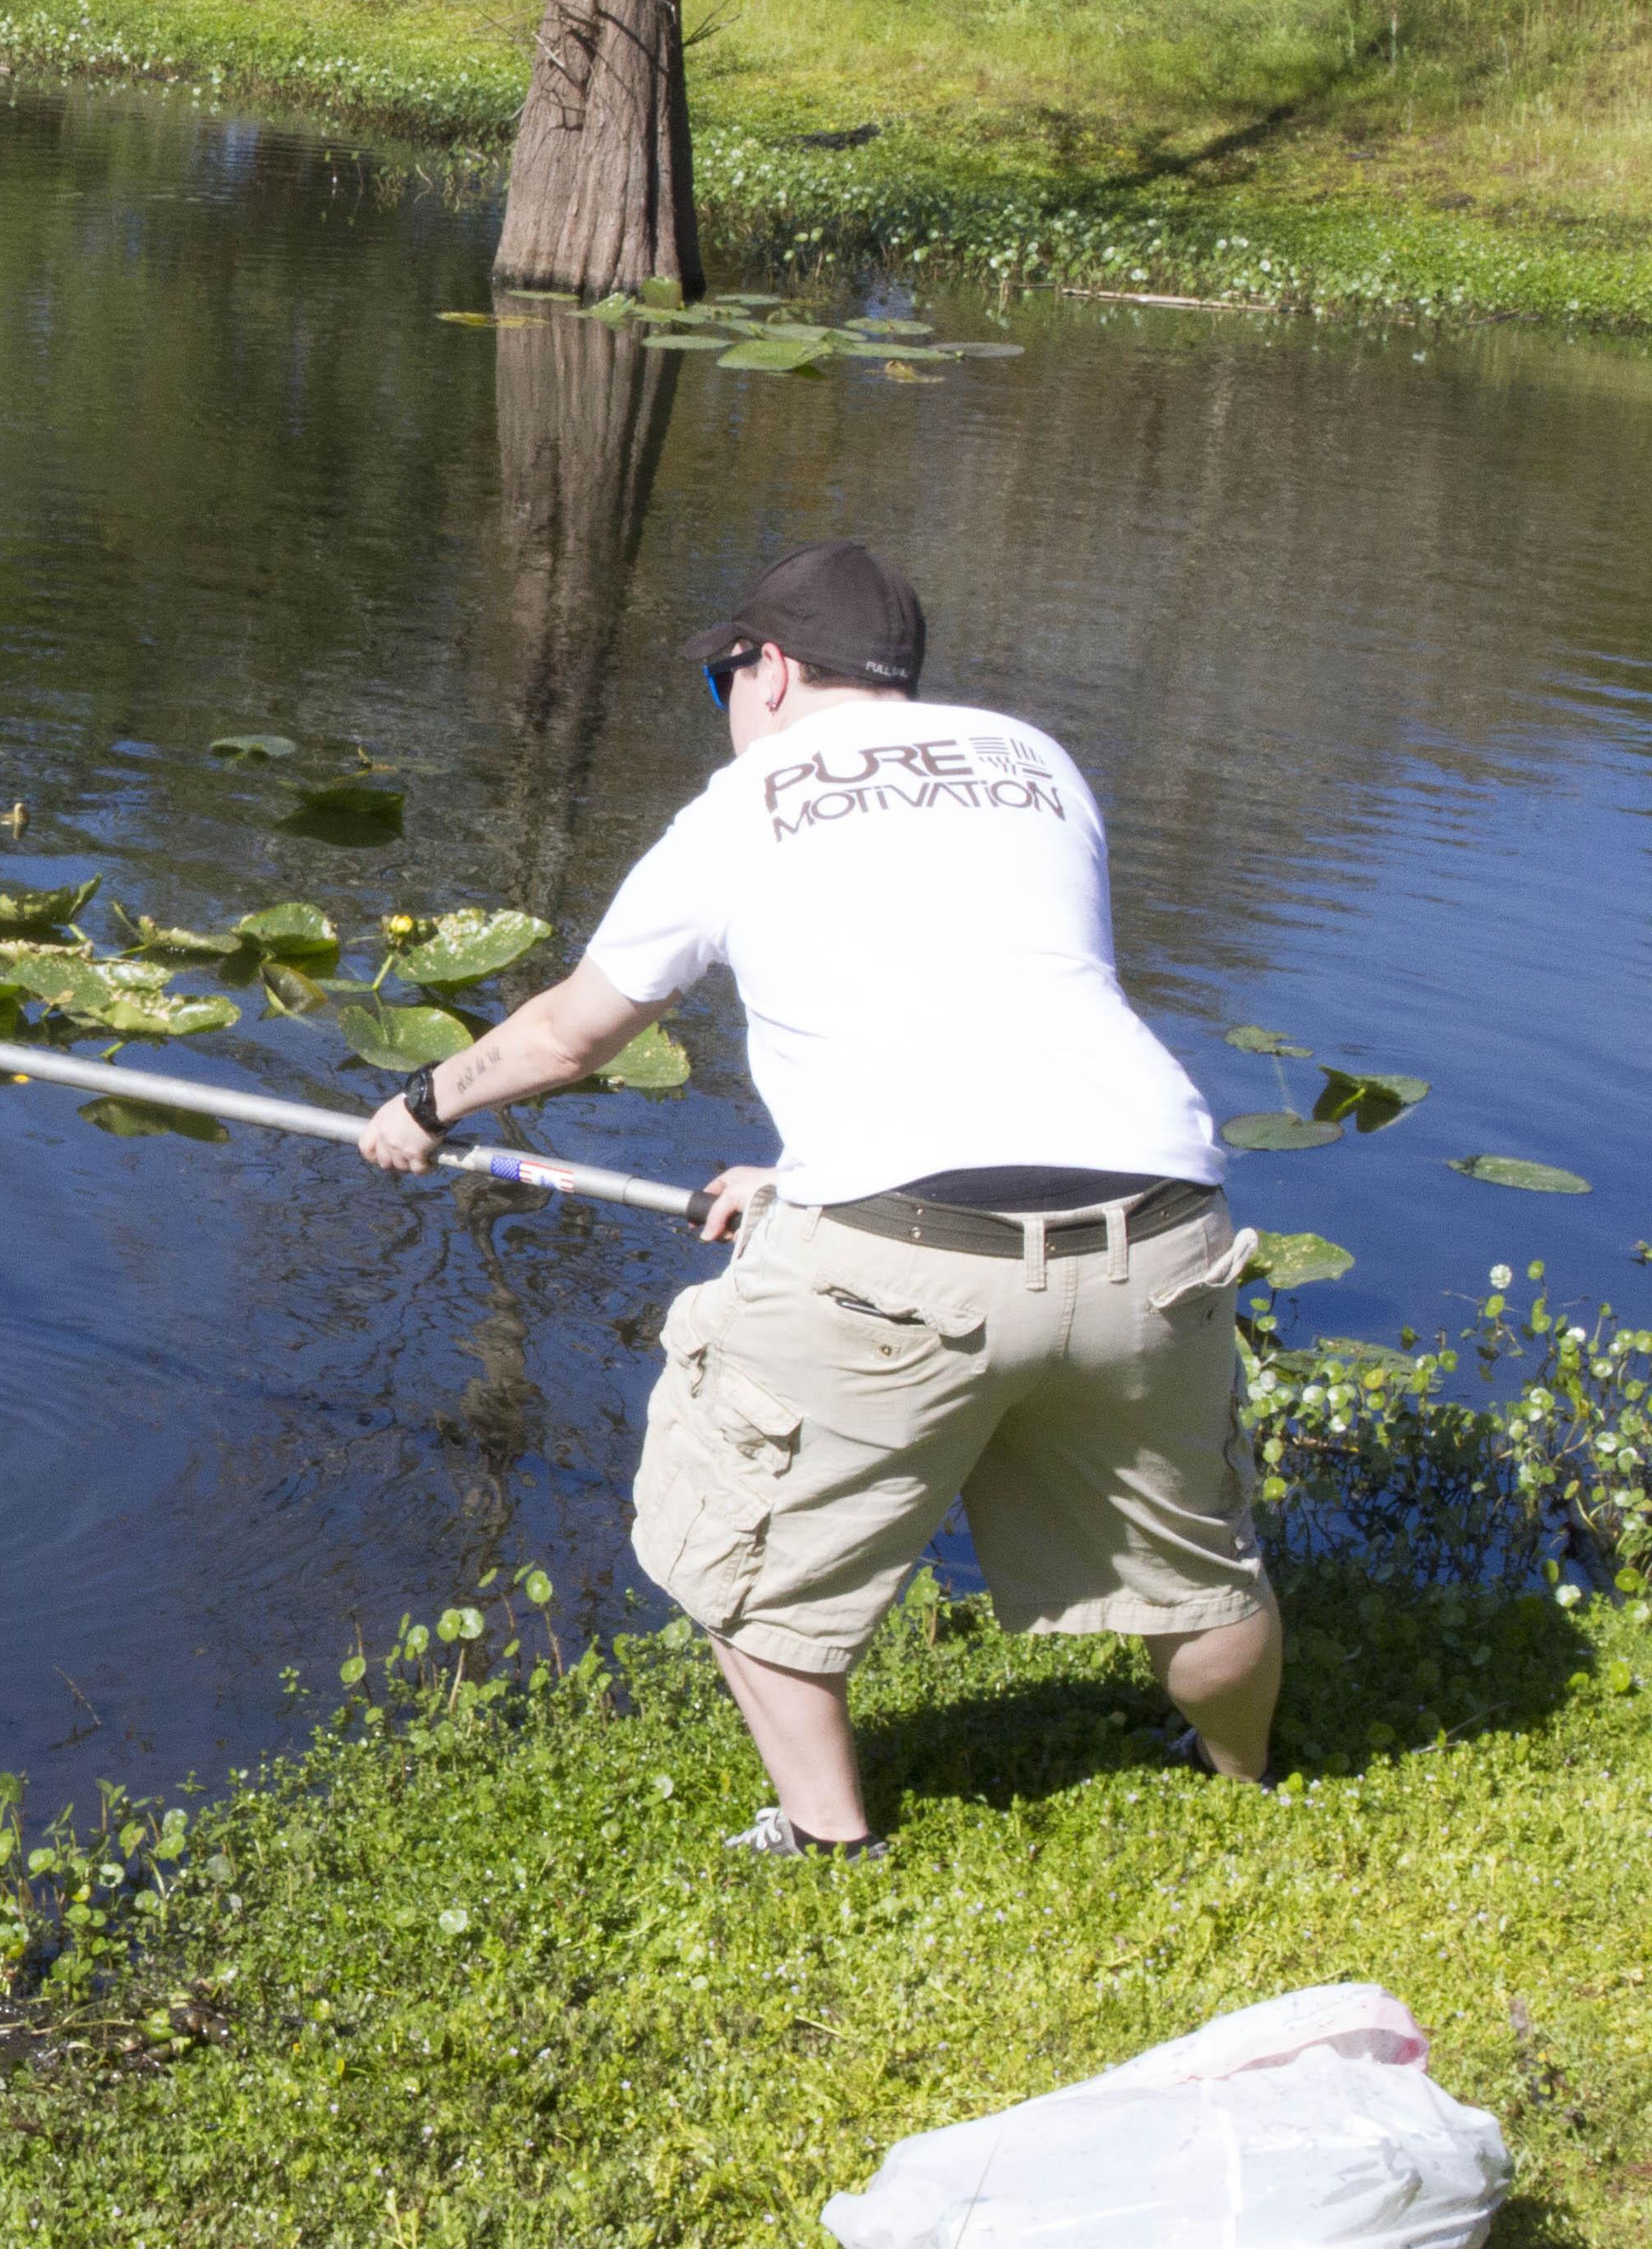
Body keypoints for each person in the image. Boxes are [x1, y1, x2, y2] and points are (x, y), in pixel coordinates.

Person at [357, 540, 1277, 1858]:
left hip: (910, 1260)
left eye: (723, 679)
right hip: (1157, 1220)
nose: (727, 709)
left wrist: (426, 1103)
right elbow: (1002, 1011)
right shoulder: (1035, 763)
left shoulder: (740, 808)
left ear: (772, 669)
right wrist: (801, 1177)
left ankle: (829, 1841)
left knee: (737, 1551)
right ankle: (1238, 1782)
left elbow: (572, 1037)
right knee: (1200, 1574)